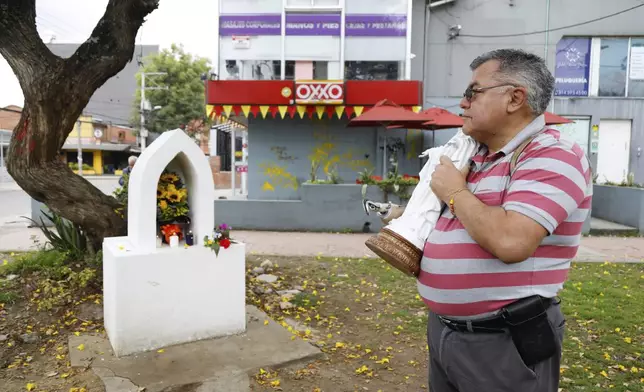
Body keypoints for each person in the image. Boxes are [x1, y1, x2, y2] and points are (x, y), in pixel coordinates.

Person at [422, 49, 592, 392]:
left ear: (515, 98)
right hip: (447, 331)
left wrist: (454, 191)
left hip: (503, 339)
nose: (463, 102)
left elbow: (511, 242)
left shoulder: (552, 154)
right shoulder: (478, 157)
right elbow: (461, 226)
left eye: (473, 91)